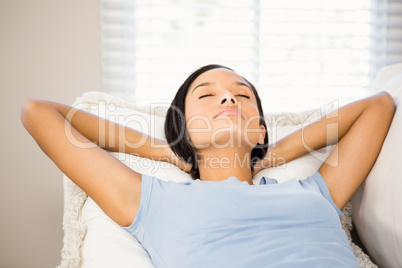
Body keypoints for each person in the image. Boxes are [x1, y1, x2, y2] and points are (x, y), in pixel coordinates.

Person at [21, 64, 395, 267]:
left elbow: (378, 106)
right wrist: (164, 151)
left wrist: (273, 151)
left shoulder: (315, 192)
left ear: (260, 128)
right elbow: (39, 113)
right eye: (207, 95)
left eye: (243, 95)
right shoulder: (152, 201)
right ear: (183, 128)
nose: (230, 96)